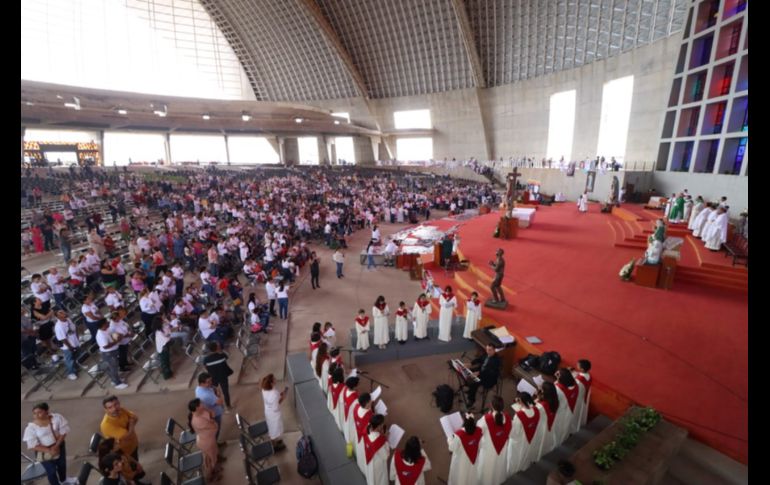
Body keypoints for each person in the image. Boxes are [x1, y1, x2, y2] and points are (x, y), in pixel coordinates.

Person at [23, 402, 77, 485]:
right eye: (34, 413)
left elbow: (63, 432)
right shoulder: (31, 428)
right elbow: (32, 445)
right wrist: (49, 450)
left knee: (62, 465)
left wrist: (56, 446)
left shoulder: (56, 418)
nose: (36, 415)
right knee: (51, 470)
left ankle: (63, 480)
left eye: (39, 412)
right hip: (43, 451)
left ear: (47, 411)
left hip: (59, 445)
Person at [508, 391, 546, 475]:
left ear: (521, 402)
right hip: (531, 437)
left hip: (520, 440)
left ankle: (514, 470)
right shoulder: (536, 410)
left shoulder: (519, 415)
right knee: (526, 453)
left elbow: (514, 432)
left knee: (516, 457)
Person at [476, 396, 511, 485]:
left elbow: (478, 430)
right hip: (502, 448)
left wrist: (488, 415)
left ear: (491, 406)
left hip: (489, 449)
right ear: (503, 406)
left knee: (487, 469)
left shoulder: (486, 419)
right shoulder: (507, 417)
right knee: (498, 467)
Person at [188, 398, 223, 482]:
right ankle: (210, 477)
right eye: (201, 404)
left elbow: (211, 414)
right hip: (207, 443)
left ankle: (214, 470)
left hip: (208, 440)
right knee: (209, 462)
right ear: (197, 408)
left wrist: (210, 415)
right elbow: (214, 427)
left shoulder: (198, 413)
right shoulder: (198, 421)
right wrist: (212, 420)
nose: (203, 405)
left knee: (211, 458)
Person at [447, 413, 483, 485]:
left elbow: (451, 448)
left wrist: (449, 438)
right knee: (471, 474)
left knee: (461, 475)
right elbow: (481, 444)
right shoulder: (479, 430)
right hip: (474, 457)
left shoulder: (459, 435)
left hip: (461, 460)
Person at [100, 395, 140, 460]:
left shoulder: (121, 410)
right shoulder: (106, 425)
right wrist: (131, 423)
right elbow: (127, 435)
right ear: (105, 410)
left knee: (137, 463)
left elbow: (135, 417)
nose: (114, 409)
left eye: (116, 404)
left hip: (133, 445)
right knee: (133, 468)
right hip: (124, 453)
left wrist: (130, 428)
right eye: (110, 407)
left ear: (119, 403)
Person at [96, 319, 129, 389]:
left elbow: (114, 333)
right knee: (112, 368)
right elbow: (105, 346)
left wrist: (119, 335)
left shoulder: (107, 329)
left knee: (114, 367)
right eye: (106, 322)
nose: (108, 323)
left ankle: (115, 380)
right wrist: (117, 341)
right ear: (103, 325)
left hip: (113, 351)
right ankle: (117, 383)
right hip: (108, 353)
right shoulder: (100, 334)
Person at [466, 344, 501, 410]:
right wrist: (471, 363)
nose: (488, 352)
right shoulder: (486, 354)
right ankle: (470, 389)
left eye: (490, 350)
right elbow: (479, 359)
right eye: (487, 349)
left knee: (474, 382)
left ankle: (471, 400)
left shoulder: (497, 361)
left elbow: (491, 372)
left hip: (489, 378)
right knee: (468, 372)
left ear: (494, 350)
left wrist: (479, 373)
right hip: (481, 370)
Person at [203, 341, 234, 411]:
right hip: (223, 376)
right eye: (218, 346)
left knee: (215, 393)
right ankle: (228, 406)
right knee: (225, 392)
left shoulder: (206, 359)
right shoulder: (222, 356)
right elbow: (226, 358)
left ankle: (220, 407)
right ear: (217, 348)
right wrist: (221, 351)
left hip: (213, 378)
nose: (220, 346)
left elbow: (206, 367)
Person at [195, 372, 225, 443]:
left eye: (211, 380)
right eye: (208, 382)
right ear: (201, 383)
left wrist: (215, 389)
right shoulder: (205, 395)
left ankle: (215, 443)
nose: (211, 383)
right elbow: (220, 402)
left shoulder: (199, 388)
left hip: (212, 411)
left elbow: (213, 387)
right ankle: (215, 444)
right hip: (215, 414)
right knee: (216, 430)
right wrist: (218, 394)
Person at [261, 373, 287, 451]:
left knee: (271, 428)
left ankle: (274, 441)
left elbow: (273, 399)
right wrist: (283, 398)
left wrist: (281, 394)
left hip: (268, 412)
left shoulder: (264, 389)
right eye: (274, 379)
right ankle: (274, 446)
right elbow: (276, 406)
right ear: (271, 383)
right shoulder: (274, 393)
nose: (275, 379)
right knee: (275, 429)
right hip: (274, 414)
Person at [553, 369, 580, 445]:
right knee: (565, 427)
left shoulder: (558, 389)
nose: (556, 374)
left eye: (558, 374)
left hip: (560, 411)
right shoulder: (575, 384)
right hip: (570, 410)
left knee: (557, 429)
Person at [535, 382, 560, 458]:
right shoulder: (555, 400)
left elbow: (534, 409)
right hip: (549, 423)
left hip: (541, 425)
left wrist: (537, 398)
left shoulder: (541, 406)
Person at [363, 414, 390, 485]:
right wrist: (386, 439)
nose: (383, 424)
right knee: (378, 480)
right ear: (379, 426)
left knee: (371, 477)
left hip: (369, 459)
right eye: (382, 424)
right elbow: (386, 456)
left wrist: (381, 435)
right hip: (377, 465)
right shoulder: (379, 441)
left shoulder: (367, 430)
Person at [53, 310, 80, 381]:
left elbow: (75, 327)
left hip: (74, 341)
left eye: (63, 312)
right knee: (69, 359)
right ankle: (71, 373)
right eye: (60, 313)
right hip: (67, 346)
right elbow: (63, 339)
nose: (63, 313)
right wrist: (70, 347)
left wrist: (77, 337)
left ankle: (76, 367)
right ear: (57, 316)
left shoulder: (68, 319)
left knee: (76, 356)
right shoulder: (58, 326)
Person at [352, 393, 375, 473]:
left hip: (358, 434)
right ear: (367, 403)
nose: (371, 401)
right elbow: (372, 428)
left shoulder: (356, 407)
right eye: (370, 401)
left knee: (361, 453)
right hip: (366, 437)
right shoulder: (370, 416)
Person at [571, 359, 592, 429]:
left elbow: (573, 387)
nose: (577, 366)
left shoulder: (579, 380)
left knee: (576, 411)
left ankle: (574, 426)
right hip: (584, 396)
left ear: (582, 369)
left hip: (579, 397)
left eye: (578, 366)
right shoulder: (589, 376)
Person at [342, 376, 361, 443]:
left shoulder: (345, 390)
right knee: (351, 440)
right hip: (352, 421)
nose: (359, 386)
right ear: (354, 387)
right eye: (358, 384)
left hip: (347, 417)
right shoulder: (355, 401)